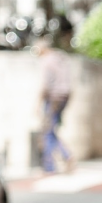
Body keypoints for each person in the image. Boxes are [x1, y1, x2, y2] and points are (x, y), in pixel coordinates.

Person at [37, 19, 74, 174]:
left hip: (53, 98)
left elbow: (45, 86)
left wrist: (37, 104)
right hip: (64, 96)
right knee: (51, 129)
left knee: (48, 130)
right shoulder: (60, 57)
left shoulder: (47, 61)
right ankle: (63, 157)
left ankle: (51, 164)